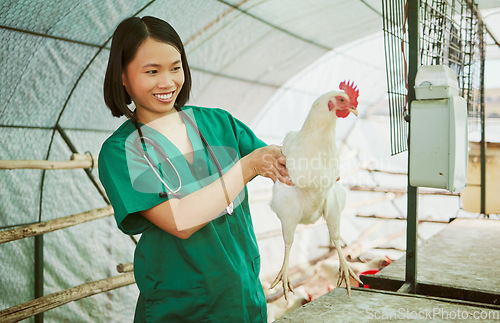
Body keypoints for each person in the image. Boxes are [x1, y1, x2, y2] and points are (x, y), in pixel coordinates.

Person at [98, 16, 292, 322]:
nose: (167, 82)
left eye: (176, 68)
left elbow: (278, 160)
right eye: (152, 71)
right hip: (183, 309)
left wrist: (311, 166)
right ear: (122, 76)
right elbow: (182, 221)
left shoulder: (218, 123)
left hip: (243, 300)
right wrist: (247, 166)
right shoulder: (122, 152)